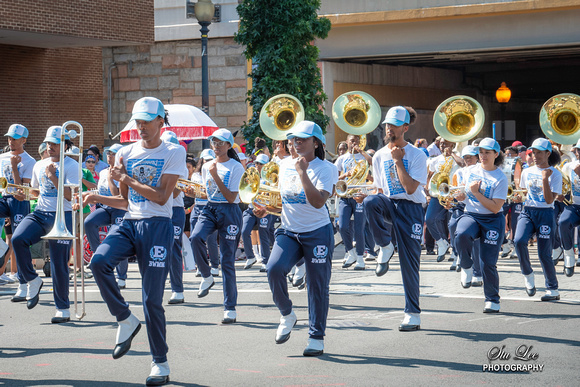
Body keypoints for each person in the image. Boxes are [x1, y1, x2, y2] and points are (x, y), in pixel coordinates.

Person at [86, 97, 185, 386]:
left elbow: (161, 196)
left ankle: (160, 363)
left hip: (158, 225)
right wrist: (97, 196)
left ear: (160, 121)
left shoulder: (174, 152)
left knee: (152, 300)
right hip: (130, 221)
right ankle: (125, 319)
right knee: (99, 261)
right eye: (137, 121)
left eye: (146, 121)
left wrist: (125, 178)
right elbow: (123, 201)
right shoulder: (126, 152)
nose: (140, 126)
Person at [256, 120, 336, 356]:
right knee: (273, 269)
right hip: (289, 231)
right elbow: (284, 202)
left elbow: (318, 201)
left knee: (317, 286)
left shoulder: (326, 168)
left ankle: (316, 336)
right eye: (293, 139)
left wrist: (302, 172)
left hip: (318, 232)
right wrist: (266, 209)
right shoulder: (283, 164)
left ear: (316, 142)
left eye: (302, 139)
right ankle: (287, 314)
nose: (296, 143)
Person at [362, 106, 427, 331]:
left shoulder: (418, 154)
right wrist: (367, 196)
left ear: (405, 128)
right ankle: (384, 246)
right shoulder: (378, 155)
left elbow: (410, 189)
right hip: (390, 203)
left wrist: (399, 160)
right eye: (387, 125)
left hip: (411, 209)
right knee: (370, 202)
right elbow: (381, 189)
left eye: (394, 125)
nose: (388, 129)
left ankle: (412, 313)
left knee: (409, 263)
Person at [12, 126, 78, 323]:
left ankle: (63, 309)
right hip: (40, 212)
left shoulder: (72, 166)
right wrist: (22, 192)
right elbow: (35, 192)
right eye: (48, 143)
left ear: (64, 145)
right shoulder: (39, 165)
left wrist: (53, 177)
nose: (50, 147)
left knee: (59, 263)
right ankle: (33, 279)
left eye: (55, 144)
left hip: (62, 215)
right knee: (18, 239)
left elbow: (69, 196)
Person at [190, 129, 244, 324]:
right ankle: (206, 275)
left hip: (230, 211)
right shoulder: (206, 166)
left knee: (227, 260)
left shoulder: (236, 167)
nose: (216, 145)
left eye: (221, 142)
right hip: (211, 209)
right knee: (195, 238)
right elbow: (208, 193)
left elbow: (231, 197)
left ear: (229, 145)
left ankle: (230, 308)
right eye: (214, 142)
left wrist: (216, 175)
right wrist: (193, 192)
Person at [454, 138, 508, 313]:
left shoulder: (500, 177)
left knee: (488, 263)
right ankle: (466, 264)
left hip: (493, 220)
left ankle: (492, 299)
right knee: (461, 234)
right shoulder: (469, 170)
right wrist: (460, 196)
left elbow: (495, 207)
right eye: (481, 152)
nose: (483, 156)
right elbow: (462, 193)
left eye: (487, 152)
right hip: (472, 215)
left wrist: (476, 193)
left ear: (496, 154)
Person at [513, 138, 561, 301]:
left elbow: (549, 200)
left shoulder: (555, 174)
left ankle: (552, 289)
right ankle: (528, 273)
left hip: (546, 213)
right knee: (518, 241)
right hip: (528, 211)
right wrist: (519, 197)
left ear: (548, 153)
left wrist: (545, 179)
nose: (535, 155)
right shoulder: (526, 171)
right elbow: (525, 193)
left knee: (544, 254)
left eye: (539, 152)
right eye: (534, 152)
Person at [83, 144, 128, 288]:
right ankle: (98, 254)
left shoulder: (122, 172)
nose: (109, 156)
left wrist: (110, 177)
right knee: (89, 222)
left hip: (119, 209)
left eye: (113, 153)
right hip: (105, 208)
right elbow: (100, 192)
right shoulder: (102, 171)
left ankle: (122, 276)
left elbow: (118, 195)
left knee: (118, 238)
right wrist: (87, 195)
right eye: (108, 153)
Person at [0, 124, 35, 301]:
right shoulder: (2, 157)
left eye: (15, 138)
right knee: (10, 239)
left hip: (19, 202)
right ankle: (1, 250)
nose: (11, 142)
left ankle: (23, 283)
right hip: (4, 197)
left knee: (19, 240)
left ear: (24, 140)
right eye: (9, 138)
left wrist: (14, 167)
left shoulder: (29, 161)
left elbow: (23, 190)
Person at [335, 134, 372, 270]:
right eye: (352, 141)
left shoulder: (363, 157)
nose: (354, 143)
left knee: (359, 227)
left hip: (359, 196)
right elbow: (336, 177)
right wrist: (345, 175)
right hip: (345, 195)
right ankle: (351, 252)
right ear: (347, 142)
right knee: (343, 226)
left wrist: (362, 151)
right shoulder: (341, 159)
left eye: (357, 141)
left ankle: (360, 258)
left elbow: (373, 162)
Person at [160, 130, 188, 304]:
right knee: (158, 249)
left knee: (173, 248)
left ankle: (178, 290)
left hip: (175, 209)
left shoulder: (181, 166)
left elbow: (175, 191)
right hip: (160, 210)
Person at [425, 139, 463, 262]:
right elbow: (431, 175)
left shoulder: (457, 156)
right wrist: (427, 189)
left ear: (452, 144)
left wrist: (451, 153)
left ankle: (455, 252)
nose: (442, 146)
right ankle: (442, 243)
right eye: (441, 144)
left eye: (445, 143)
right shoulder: (435, 159)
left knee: (452, 225)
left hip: (452, 194)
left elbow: (462, 164)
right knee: (429, 219)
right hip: (438, 194)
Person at [241, 153, 276, 272]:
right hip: (251, 209)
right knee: (244, 231)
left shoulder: (270, 180)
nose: (257, 165)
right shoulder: (251, 177)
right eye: (256, 163)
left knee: (264, 234)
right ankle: (250, 257)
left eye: (261, 164)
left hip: (265, 210)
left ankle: (266, 261)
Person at [188, 149, 220, 276]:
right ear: (201, 161)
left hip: (210, 207)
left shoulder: (215, 173)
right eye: (205, 159)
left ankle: (215, 266)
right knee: (194, 238)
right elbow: (196, 191)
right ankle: (200, 266)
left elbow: (210, 191)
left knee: (211, 239)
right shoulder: (195, 175)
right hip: (197, 207)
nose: (207, 162)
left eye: (209, 159)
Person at [559, 139, 580, 276]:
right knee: (563, 222)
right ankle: (568, 254)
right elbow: (561, 181)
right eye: (578, 150)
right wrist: (559, 193)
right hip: (574, 206)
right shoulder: (570, 166)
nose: (579, 153)